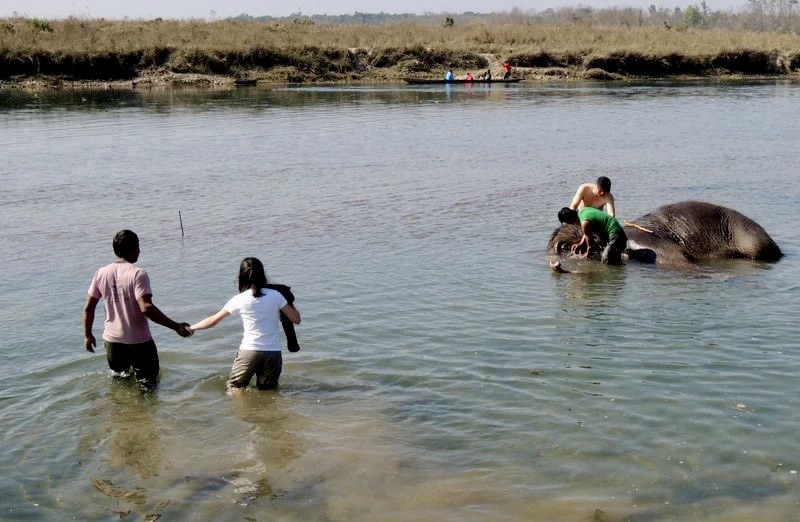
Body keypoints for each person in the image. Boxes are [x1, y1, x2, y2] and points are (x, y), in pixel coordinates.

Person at [83, 230, 192, 390]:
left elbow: (89, 308)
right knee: (149, 387)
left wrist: (87, 335)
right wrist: (176, 326)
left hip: (113, 341)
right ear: (134, 249)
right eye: (138, 247)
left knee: (121, 385)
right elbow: (146, 307)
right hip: (139, 343)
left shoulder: (101, 273)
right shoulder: (138, 274)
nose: (140, 251)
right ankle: (144, 414)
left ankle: (124, 414)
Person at [189, 257, 301, 393]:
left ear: (241, 277)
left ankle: (243, 414)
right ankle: (269, 414)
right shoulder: (276, 295)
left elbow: (213, 321)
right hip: (273, 353)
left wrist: (191, 328)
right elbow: (296, 319)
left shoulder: (239, 299)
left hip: (249, 351)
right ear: (263, 274)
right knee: (268, 392)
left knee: (234, 388)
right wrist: (289, 301)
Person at [558, 207, 628, 264]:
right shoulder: (582, 211)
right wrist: (581, 244)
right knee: (610, 257)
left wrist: (586, 255)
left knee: (605, 260)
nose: (568, 224)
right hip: (615, 233)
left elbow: (589, 247)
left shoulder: (584, 221)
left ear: (569, 219)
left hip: (616, 235)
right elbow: (587, 233)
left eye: (566, 222)